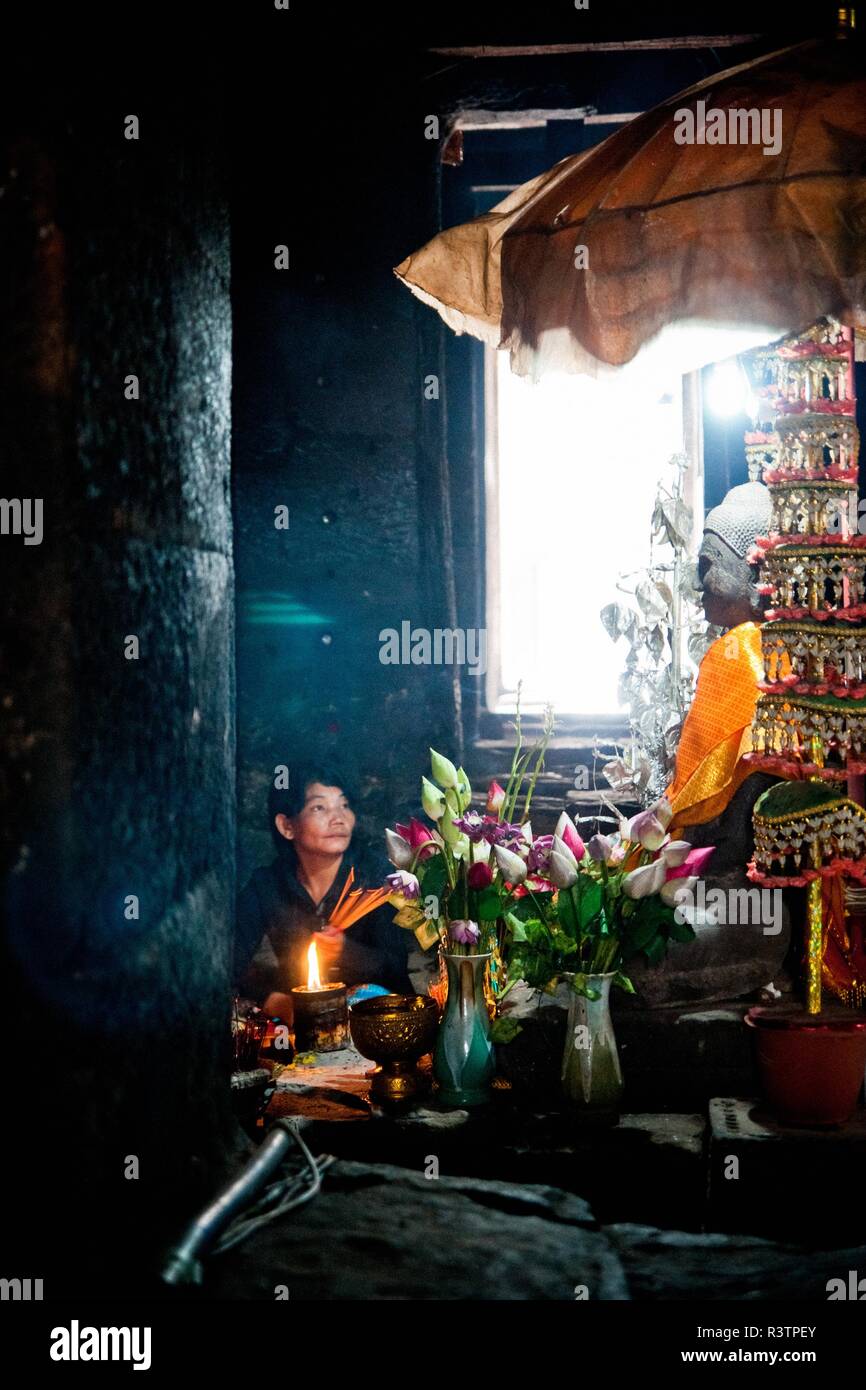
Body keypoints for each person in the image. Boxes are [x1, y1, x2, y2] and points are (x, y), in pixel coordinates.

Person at [234, 764, 413, 1019]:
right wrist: (271, 998)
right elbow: (228, 964)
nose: (338, 818)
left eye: (344, 805)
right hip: (302, 1024)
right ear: (287, 826)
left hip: (377, 1020)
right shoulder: (268, 884)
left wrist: (345, 951)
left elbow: (396, 967)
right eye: (319, 807)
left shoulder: (375, 879)